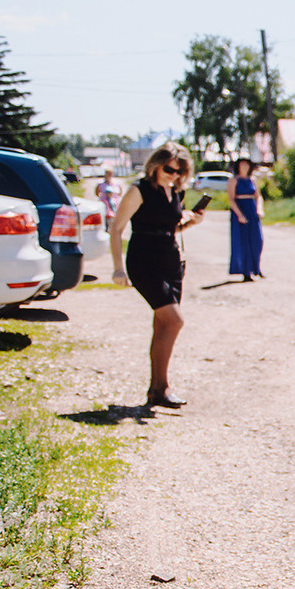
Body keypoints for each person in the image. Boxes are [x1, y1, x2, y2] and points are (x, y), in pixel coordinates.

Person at [109, 148, 205, 409]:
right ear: (155, 166)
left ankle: (157, 391)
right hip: (144, 261)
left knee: (163, 325)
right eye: (169, 169)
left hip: (171, 261)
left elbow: (168, 228)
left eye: (179, 171)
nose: (173, 176)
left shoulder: (176, 192)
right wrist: (118, 267)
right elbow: (116, 228)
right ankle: (160, 388)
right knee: (174, 321)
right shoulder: (139, 190)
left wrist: (190, 223)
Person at [227, 158, 265, 280]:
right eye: (242, 164)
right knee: (243, 241)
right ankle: (246, 271)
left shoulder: (252, 180)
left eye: (247, 165)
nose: (244, 167)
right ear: (238, 166)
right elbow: (231, 199)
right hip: (240, 210)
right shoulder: (233, 180)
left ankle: (257, 268)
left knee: (257, 240)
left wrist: (259, 209)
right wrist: (240, 215)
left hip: (252, 210)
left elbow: (258, 196)